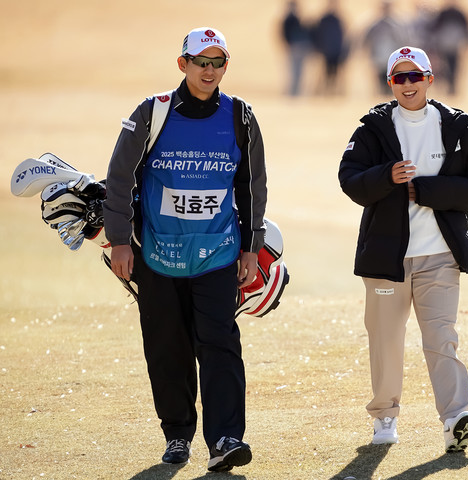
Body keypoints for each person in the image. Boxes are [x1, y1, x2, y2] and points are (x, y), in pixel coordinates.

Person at [103, 27, 268, 472]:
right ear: (183, 64)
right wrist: (120, 241)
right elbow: (119, 179)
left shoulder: (240, 116)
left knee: (220, 344)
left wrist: (251, 248)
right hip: (157, 254)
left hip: (218, 254)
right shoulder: (152, 112)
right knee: (166, 347)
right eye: (201, 62)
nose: (209, 70)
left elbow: (251, 186)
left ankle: (226, 438)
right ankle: (177, 435)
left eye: (218, 62)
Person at [338, 46, 468, 452]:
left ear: (429, 78)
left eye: (415, 76)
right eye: (399, 77)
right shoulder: (372, 128)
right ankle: (385, 418)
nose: (407, 84)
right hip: (386, 260)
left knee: (441, 337)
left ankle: (456, 418)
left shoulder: (456, 127)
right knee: (386, 340)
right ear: (390, 83)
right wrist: (386, 176)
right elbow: (349, 179)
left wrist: (426, 190)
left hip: (440, 256)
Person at [430, 0, 468, 95]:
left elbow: (467, 29)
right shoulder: (444, 14)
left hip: (453, 46)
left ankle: (452, 87)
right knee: (445, 67)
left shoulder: (458, 14)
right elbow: (435, 29)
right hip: (444, 45)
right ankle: (449, 86)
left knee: (453, 66)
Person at [312, 0, 347, 95]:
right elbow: (318, 35)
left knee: (335, 72)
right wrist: (319, 48)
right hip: (327, 51)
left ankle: (333, 90)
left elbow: (343, 35)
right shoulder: (324, 19)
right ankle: (326, 90)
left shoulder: (338, 19)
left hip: (337, 50)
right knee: (326, 72)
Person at [281, 0, 313, 96]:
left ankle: (296, 91)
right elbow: (285, 35)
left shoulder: (296, 19)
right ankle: (293, 91)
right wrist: (289, 45)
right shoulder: (290, 19)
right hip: (294, 48)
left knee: (297, 71)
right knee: (294, 71)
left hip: (298, 48)